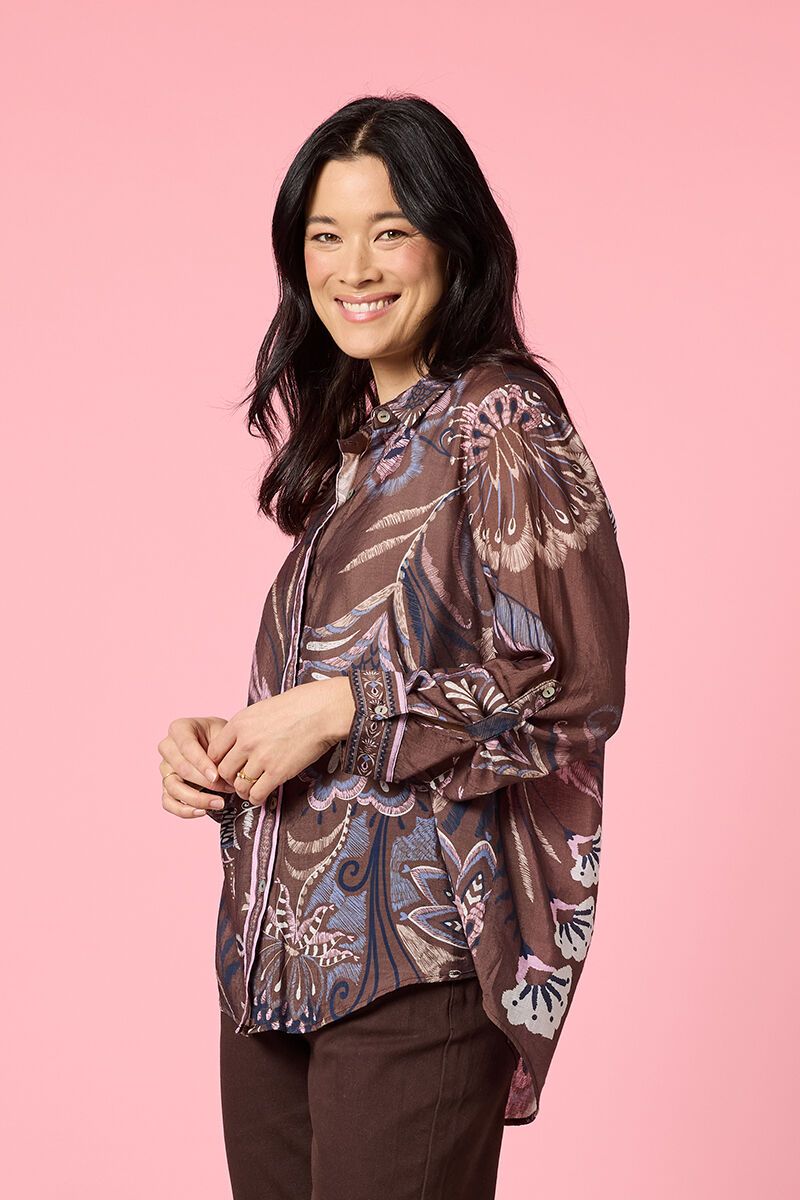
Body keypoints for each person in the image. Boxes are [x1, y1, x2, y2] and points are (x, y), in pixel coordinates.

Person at [157, 93, 630, 1200]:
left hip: (413, 960)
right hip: (271, 964)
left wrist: (344, 709)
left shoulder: (500, 420)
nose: (352, 268)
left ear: (450, 242)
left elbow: (573, 684)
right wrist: (226, 747)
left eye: (389, 230)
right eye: (325, 235)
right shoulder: (355, 444)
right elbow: (360, 681)